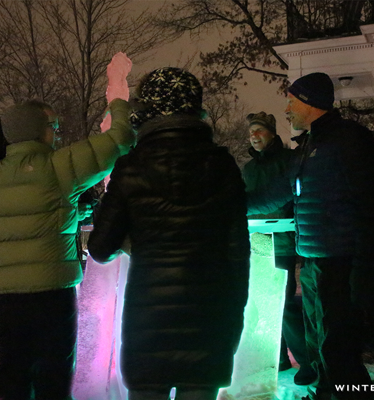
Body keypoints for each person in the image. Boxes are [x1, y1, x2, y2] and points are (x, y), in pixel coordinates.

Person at [0, 97, 134, 400]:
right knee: (54, 376)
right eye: (53, 127)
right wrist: (118, 105)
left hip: (10, 302)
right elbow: (121, 139)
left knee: (12, 375)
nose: (56, 133)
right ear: (39, 130)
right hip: (54, 297)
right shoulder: (61, 166)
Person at [87, 67, 250, 400]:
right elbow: (238, 253)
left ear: (148, 110)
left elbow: (100, 247)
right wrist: (234, 315)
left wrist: (134, 235)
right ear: (195, 109)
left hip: (149, 318)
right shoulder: (222, 165)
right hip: (211, 314)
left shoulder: (131, 166)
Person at [247, 72, 374, 400]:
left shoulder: (347, 139)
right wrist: (228, 204)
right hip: (313, 259)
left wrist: (364, 262)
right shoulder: (310, 144)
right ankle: (328, 391)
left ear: (310, 102)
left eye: (292, 101)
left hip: (340, 258)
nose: (287, 109)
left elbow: (370, 199)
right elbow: (278, 191)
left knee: (337, 341)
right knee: (320, 338)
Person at [242, 111, 313, 385]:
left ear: (272, 133)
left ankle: (307, 360)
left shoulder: (287, 161)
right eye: (251, 132)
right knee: (264, 302)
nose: (254, 136)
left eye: (259, 130)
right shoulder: (249, 168)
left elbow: (285, 197)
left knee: (283, 303)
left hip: (282, 240)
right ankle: (279, 355)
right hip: (257, 240)